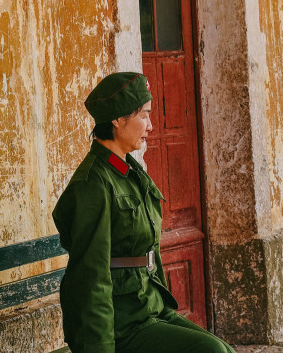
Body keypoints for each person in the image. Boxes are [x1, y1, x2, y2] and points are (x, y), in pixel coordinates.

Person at [53, 72, 235, 353]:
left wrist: (161, 305)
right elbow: (92, 276)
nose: (151, 126)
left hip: (147, 306)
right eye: (144, 116)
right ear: (116, 119)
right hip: (118, 323)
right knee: (211, 352)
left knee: (223, 349)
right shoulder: (93, 184)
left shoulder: (130, 172)